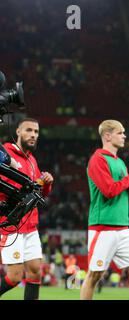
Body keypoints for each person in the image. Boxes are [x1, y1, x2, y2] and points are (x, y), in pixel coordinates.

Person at [80, 120, 129, 300]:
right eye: (120, 132)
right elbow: (110, 191)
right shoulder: (98, 159)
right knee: (94, 275)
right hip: (103, 228)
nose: (124, 135)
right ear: (108, 136)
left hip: (122, 227)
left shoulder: (120, 162)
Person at [0, 118, 53, 300]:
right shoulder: (5, 153)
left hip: (30, 225)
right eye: (28, 130)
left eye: (36, 132)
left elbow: (37, 192)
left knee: (35, 271)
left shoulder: (32, 160)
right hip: (11, 224)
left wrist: (46, 184)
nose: (33, 135)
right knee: (14, 277)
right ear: (18, 132)